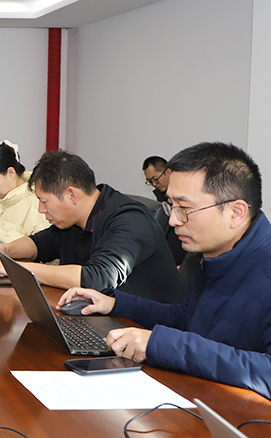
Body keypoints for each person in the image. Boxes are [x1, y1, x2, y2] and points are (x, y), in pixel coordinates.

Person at [58, 142, 271, 401]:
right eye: (172, 206)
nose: (173, 220)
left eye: (185, 209)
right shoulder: (209, 254)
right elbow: (187, 318)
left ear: (236, 212)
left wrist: (162, 345)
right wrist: (115, 303)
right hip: (199, 398)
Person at [0, 150, 182, 303]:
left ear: (71, 195)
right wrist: (5, 250)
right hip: (95, 315)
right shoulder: (73, 221)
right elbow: (39, 244)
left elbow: (98, 278)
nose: (41, 209)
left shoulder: (128, 219)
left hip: (144, 329)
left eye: (44, 201)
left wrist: (18, 269)